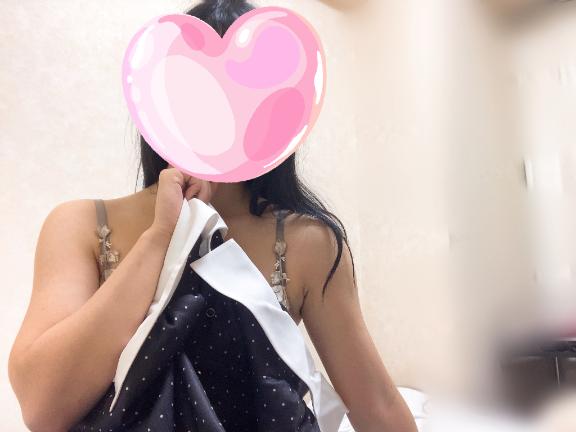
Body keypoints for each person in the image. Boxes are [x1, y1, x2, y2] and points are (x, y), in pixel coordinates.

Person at [8, 1, 417, 431]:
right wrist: (161, 237)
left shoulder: (308, 243)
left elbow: (377, 406)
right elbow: (42, 407)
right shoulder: (81, 225)